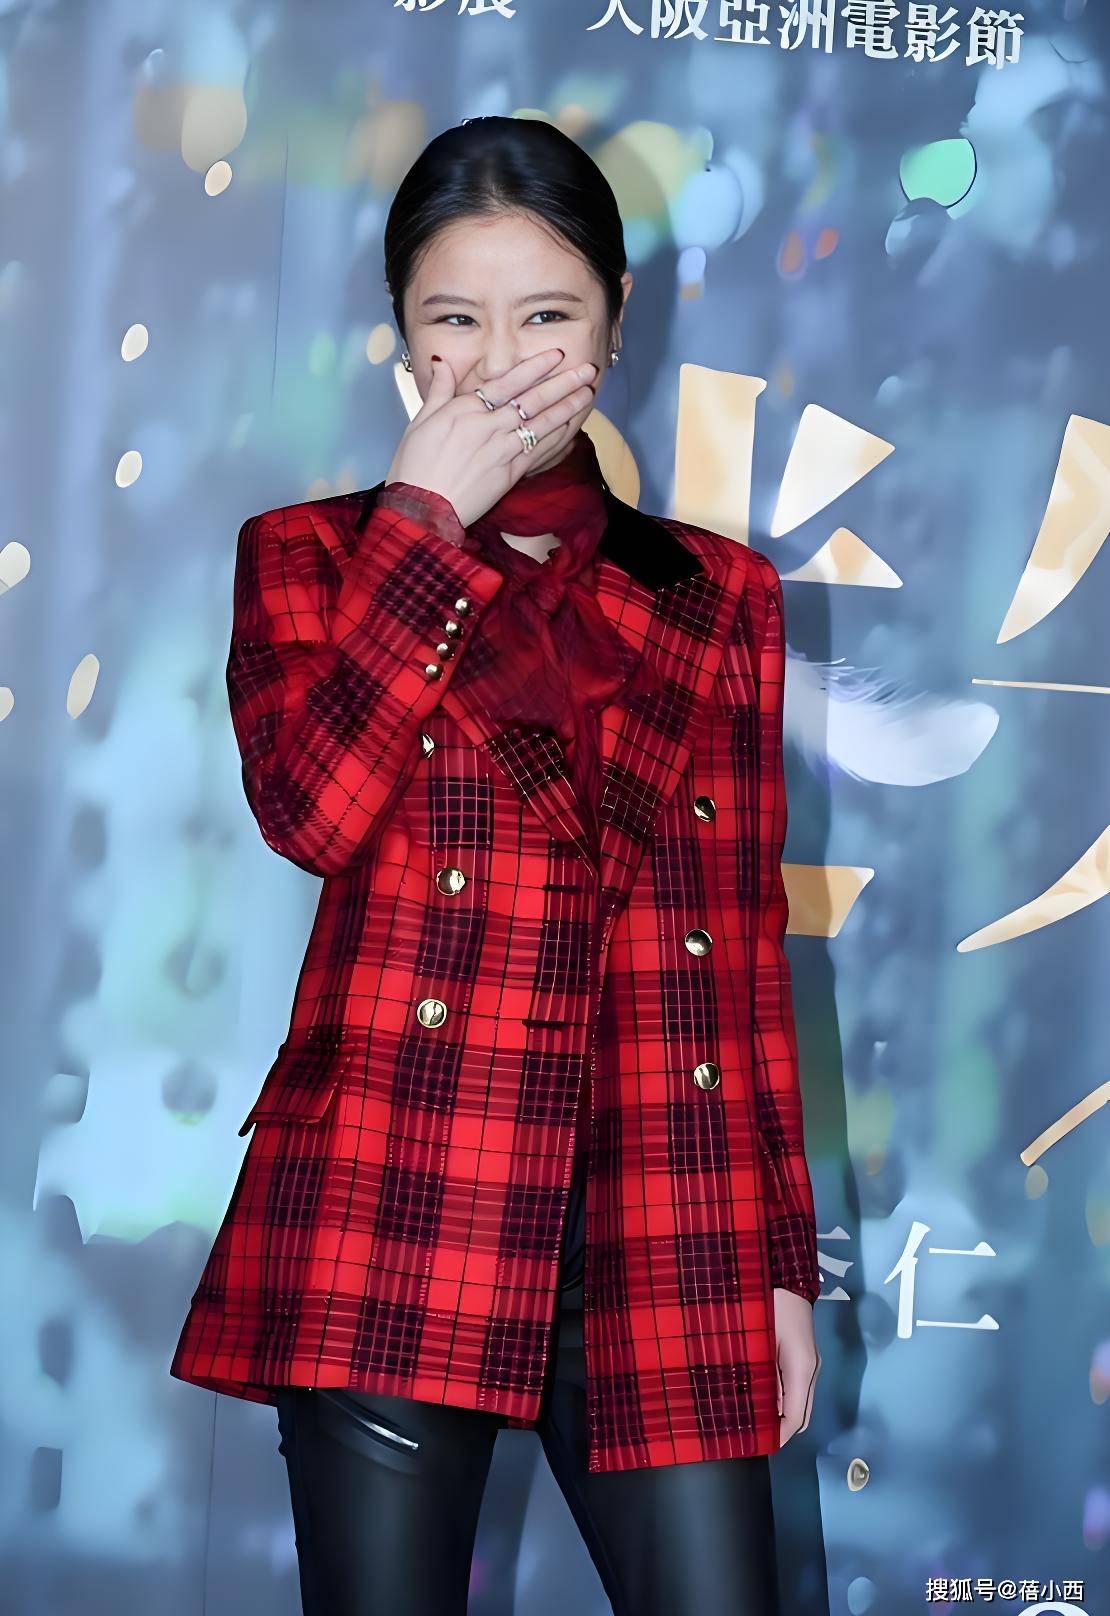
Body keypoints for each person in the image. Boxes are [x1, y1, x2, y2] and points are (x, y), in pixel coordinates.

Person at [170, 115, 822, 1615]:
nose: (501, 363)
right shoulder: (311, 556)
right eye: (454, 320)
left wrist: (780, 1260)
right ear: (402, 335)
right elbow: (312, 815)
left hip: (661, 1214)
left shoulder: (718, 593)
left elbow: (741, 944)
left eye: (547, 316)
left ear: (615, 323)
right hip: (402, 1191)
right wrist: (422, 525)